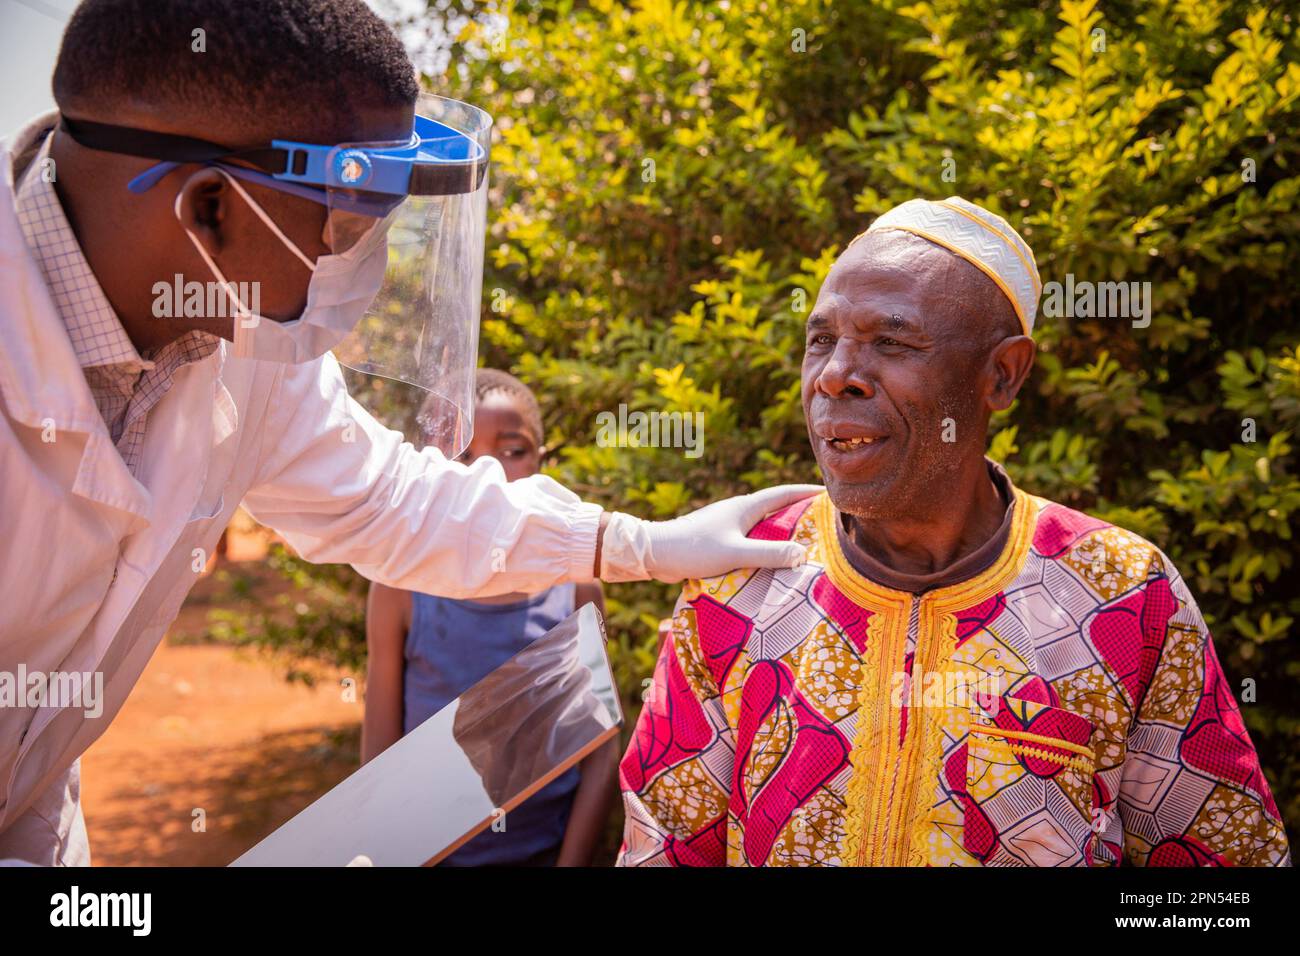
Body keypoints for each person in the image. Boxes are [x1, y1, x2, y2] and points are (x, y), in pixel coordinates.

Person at [0, 0, 815, 865]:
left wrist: (633, 543)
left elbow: (391, 501)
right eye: (347, 221)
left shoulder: (239, 339)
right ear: (209, 212)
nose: (368, 264)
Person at [618, 196, 1292, 867]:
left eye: (891, 341)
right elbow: (662, 849)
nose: (834, 375)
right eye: (821, 340)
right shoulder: (741, 578)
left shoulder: (1121, 592)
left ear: (1002, 374)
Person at [363, 369, 617, 866]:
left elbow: (601, 750)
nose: (490, 475)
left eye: (513, 450)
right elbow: (380, 756)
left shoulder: (575, 589)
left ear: (542, 460)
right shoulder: (400, 588)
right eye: (465, 455)